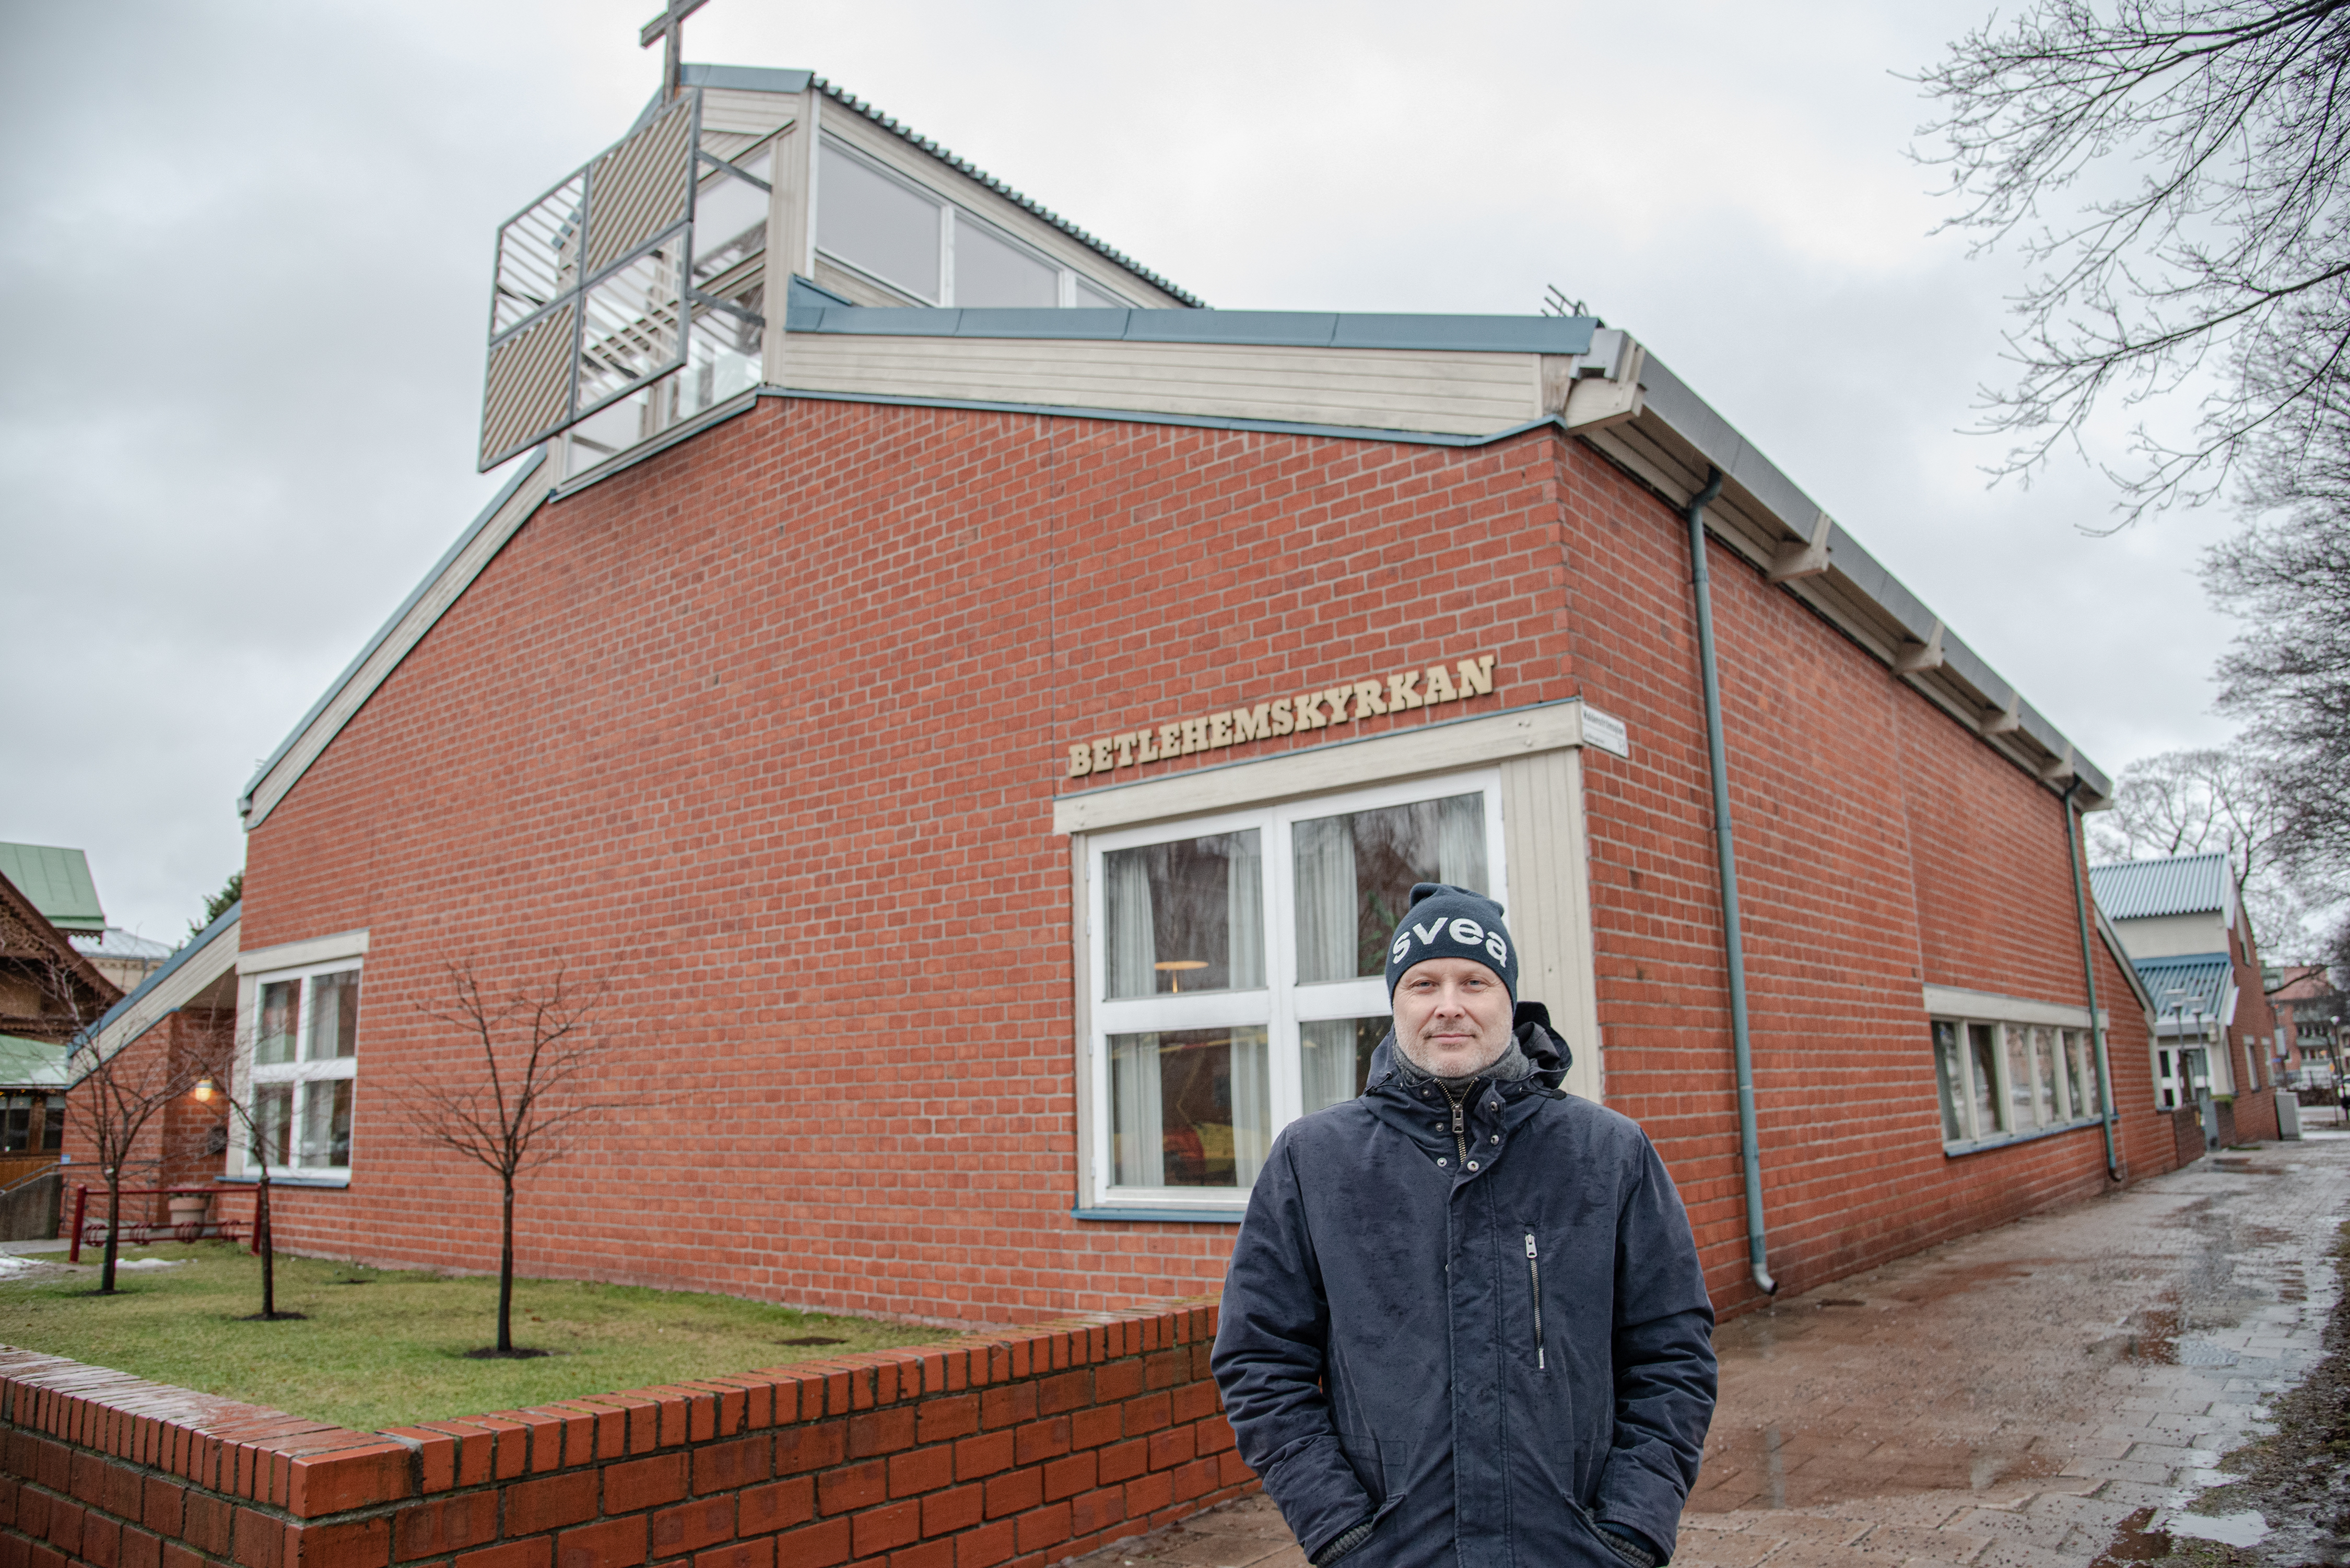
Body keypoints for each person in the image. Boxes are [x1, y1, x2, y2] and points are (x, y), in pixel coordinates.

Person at [1211, 883, 1717, 1566]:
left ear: (1509, 999)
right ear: (1396, 1004)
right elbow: (1261, 1358)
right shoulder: (1314, 1162)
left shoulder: (1611, 1154)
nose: (1448, 1004)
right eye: (1424, 982)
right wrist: (1339, 1532)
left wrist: (1632, 1527)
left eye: (1474, 981)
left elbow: (1672, 1351)